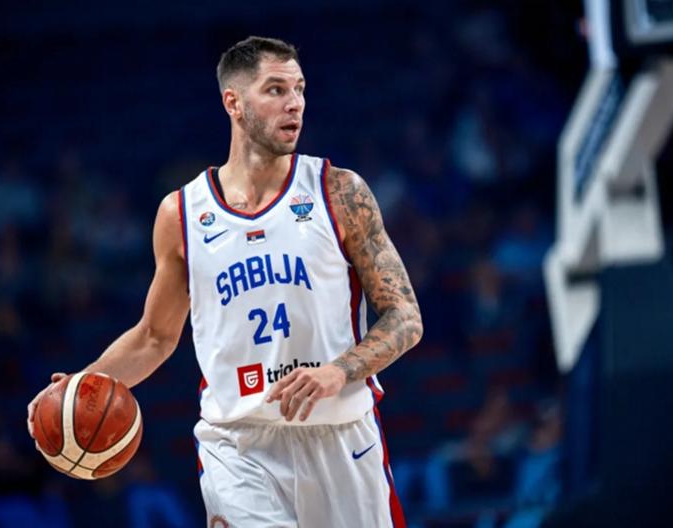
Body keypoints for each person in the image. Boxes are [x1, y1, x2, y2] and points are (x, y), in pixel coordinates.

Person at [27, 36, 422, 527]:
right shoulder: (182, 214)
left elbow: (406, 317)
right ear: (233, 103)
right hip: (239, 445)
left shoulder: (338, 192)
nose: (294, 103)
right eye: (275, 89)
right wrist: (84, 384)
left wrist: (339, 371)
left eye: (299, 89)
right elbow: (154, 336)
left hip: (342, 436)